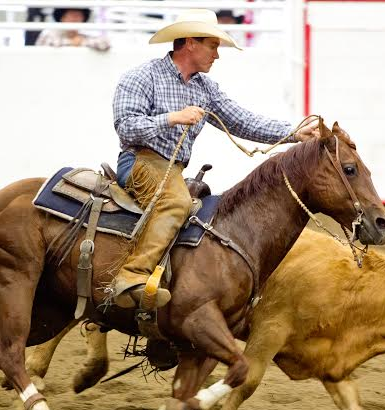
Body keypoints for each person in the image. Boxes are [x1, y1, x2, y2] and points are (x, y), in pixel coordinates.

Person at [110, 9, 320, 309]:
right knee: (177, 203)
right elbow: (126, 125)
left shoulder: (204, 88)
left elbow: (241, 121)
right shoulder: (142, 77)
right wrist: (171, 118)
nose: (217, 55)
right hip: (140, 162)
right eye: (213, 46)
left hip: (173, 170)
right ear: (191, 43)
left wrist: (293, 133)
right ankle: (132, 276)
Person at [36, 7, 110, 51]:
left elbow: (104, 44)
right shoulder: (50, 33)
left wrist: (82, 42)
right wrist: (71, 43)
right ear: (62, 18)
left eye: (78, 16)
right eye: (71, 15)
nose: (75, 19)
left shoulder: (86, 35)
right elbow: (48, 43)